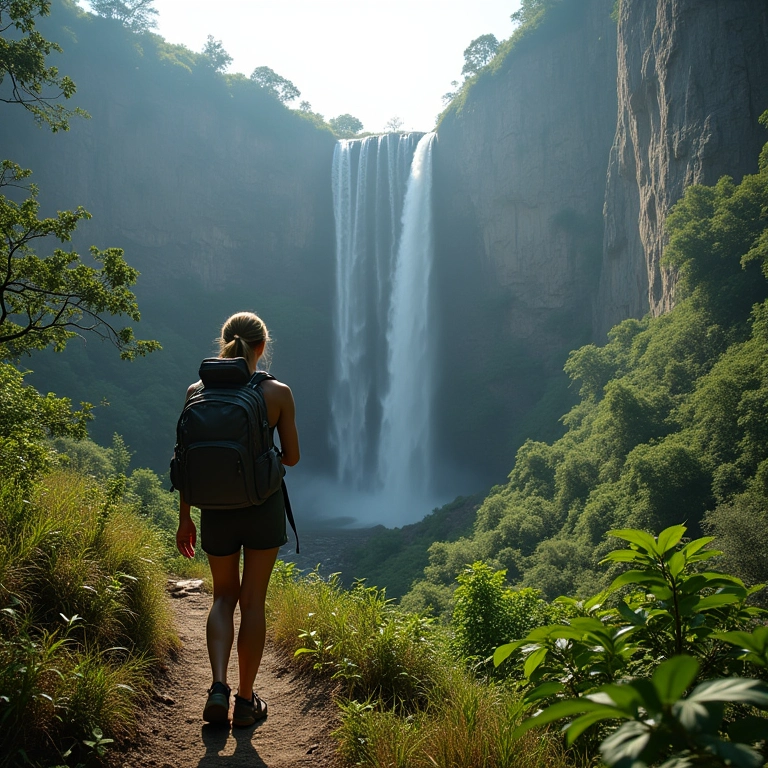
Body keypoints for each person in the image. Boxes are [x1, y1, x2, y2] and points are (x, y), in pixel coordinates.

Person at [175, 311, 300, 727]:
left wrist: (185, 518)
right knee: (253, 602)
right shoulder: (278, 393)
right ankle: (246, 701)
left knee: (223, 597)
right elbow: (293, 458)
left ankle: (216, 689)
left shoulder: (196, 390)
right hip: (262, 508)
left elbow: (187, 462)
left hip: (215, 510)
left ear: (224, 342)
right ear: (263, 347)